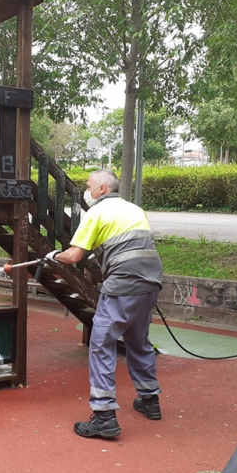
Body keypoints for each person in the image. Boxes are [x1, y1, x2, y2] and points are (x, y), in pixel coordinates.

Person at [45, 169, 163, 439]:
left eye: (89, 186)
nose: (87, 190)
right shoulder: (135, 210)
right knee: (138, 339)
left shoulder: (96, 213)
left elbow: (74, 255)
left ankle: (104, 416)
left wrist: (53, 255)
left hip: (123, 285)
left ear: (101, 190)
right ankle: (149, 400)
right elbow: (120, 245)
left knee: (101, 344)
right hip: (151, 282)